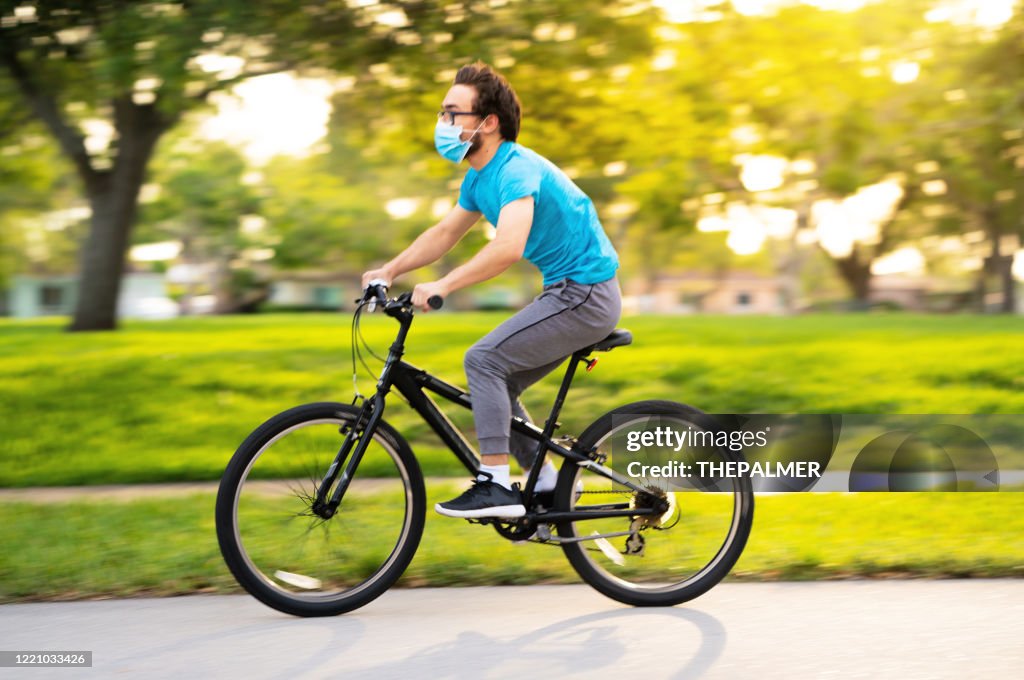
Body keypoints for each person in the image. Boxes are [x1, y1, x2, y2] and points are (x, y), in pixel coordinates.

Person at [361, 61, 621, 519]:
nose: (443, 124)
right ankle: (546, 481)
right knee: (498, 381)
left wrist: (442, 285)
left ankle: (495, 482)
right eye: (442, 113)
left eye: (452, 113)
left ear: (488, 123)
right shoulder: (480, 178)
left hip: (585, 293)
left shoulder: (516, 168)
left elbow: (508, 248)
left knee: (483, 360)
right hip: (566, 292)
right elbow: (444, 233)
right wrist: (390, 269)